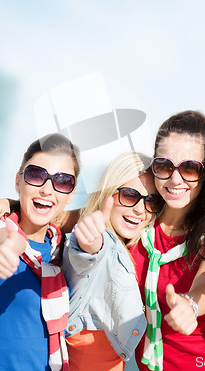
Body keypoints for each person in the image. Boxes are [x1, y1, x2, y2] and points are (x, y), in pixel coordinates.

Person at [0, 133, 79, 371]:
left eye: (62, 181)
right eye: (36, 175)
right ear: (19, 181)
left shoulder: (63, 251)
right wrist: (11, 246)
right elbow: (1, 238)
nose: (47, 189)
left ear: (70, 194)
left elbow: (98, 212)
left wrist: (10, 202)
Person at [129, 111, 205, 371]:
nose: (175, 179)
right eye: (164, 166)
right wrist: (17, 206)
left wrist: (190, 304)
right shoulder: (137, 218)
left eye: (189, 168)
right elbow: (73, 216)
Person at [62, 152, 165, 371]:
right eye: (129, 195)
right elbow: (89, 255)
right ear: (109, 192)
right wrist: (90, 241)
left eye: (152, 201)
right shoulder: (103, 240)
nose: (140, 209)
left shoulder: (139, 247)